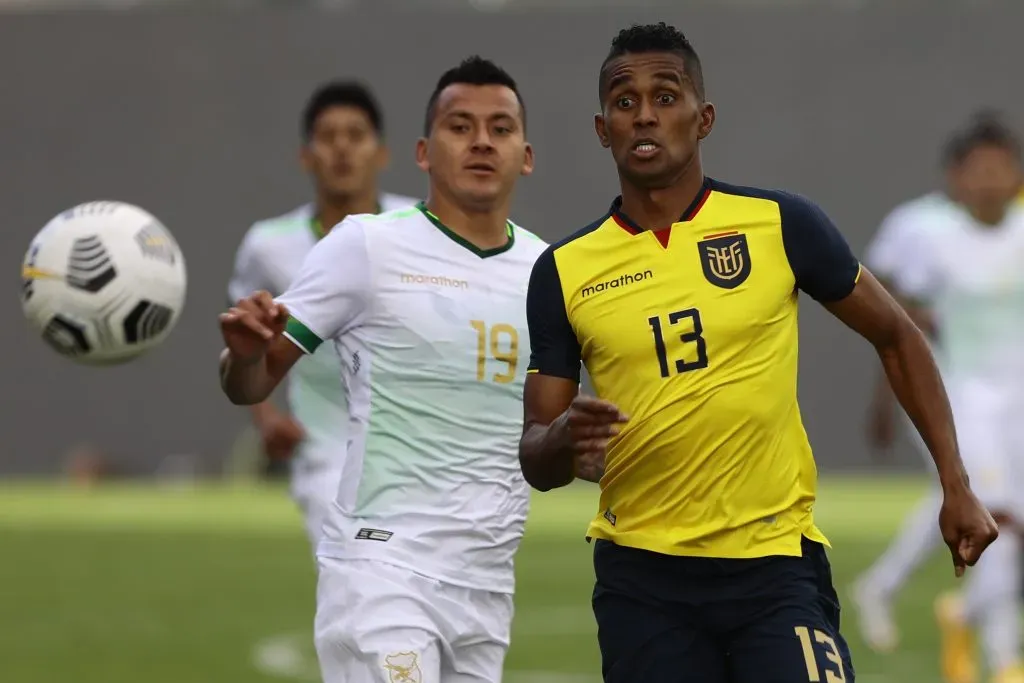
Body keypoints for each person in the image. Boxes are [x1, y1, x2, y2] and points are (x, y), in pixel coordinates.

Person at [518, 22, 998, 683]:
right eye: (624, 102)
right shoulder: (564, 270)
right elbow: (536, 454)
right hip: (642, 580)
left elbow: (897, 335)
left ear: (703, 117)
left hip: (775, 567)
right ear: (603, 129)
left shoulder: (781, 224)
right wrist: (564, 438)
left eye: (666, 95)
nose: (645, 114)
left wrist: (956, 483)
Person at [218, 56, 544, 683]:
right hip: (381, 572)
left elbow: (548, 428)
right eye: (460, 126)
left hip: (486, 585)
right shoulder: (364, 246)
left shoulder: (547, 271)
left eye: (500, 128)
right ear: (424, 151)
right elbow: (251, 383)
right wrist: (249, 356)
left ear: (526, 155)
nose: (481, 140)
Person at [227, 80, 417, 549]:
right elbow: (244, 341)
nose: (342, 149)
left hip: (417, 448)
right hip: (324, 452)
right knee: (353, 580)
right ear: (306, 155)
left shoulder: (417, 228)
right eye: (328, 137)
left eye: (356, 135)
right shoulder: (267, 244)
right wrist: (265, 418)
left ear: (382, 153)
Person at [896, 116, 1024, 683]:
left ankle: (963, 614)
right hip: (968, 400)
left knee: (1018, 529)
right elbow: (900, 317)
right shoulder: (931, 234)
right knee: (994, 518)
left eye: (1002, 170)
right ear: (958, 178)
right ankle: (1005, 661)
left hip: (1020, 402)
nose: (992, 182)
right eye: (980, 171)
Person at [851, 125, 972, 653]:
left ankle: (887, 588)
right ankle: (979, 620)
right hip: (941, 385)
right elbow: (894, 321)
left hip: (1001, 389)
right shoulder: (916, 224)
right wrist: (884, 401)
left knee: (985, 494)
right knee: (971, 488)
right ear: (954, 171)